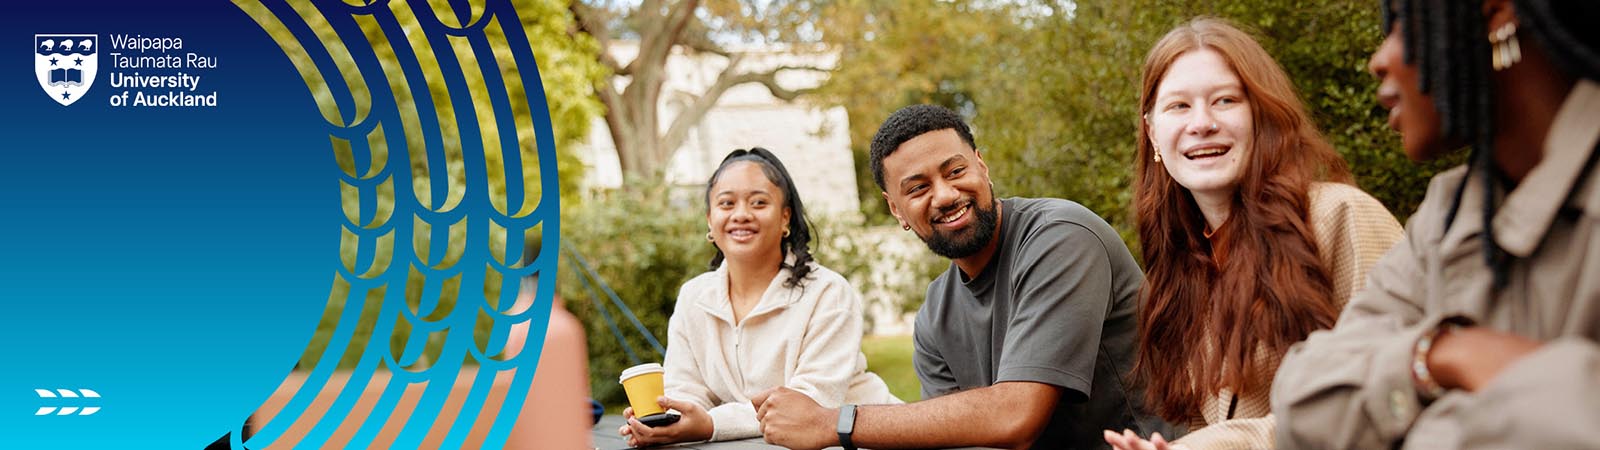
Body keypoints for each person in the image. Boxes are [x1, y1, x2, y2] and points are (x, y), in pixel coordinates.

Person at [1271, 0, 1600, 448]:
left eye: (1400, 25)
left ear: (1496, 13)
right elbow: (1302, 402)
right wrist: (1448, 354)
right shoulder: (1447, 216)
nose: (1377, 61)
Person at [752, 104, 1169, 450]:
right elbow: (954, 438)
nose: (946, 195)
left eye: (955, 171)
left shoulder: (1061, 237)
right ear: (896, 209)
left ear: (981, 166)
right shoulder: (934, 315)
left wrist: (835, 423)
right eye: (918, 188)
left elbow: (1015, 416)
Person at [1103, 18, 1406, 450]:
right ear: (1152, 132)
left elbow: (1391, 391)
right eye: (1179, 106)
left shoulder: (1342, 216)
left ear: (1261, 115)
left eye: (1225, 100)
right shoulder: (1177, 274)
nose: (1202, 123)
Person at [617, 148, 900, 448]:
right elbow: (686, 389)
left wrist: (711, 424)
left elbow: (807, 405)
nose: (741, 214)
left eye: (759, 203)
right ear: (710, 219)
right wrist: (670, 419)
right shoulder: (693, 297)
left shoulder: (828, 292)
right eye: (726, 203)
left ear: (785, 218)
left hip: (871, 441)